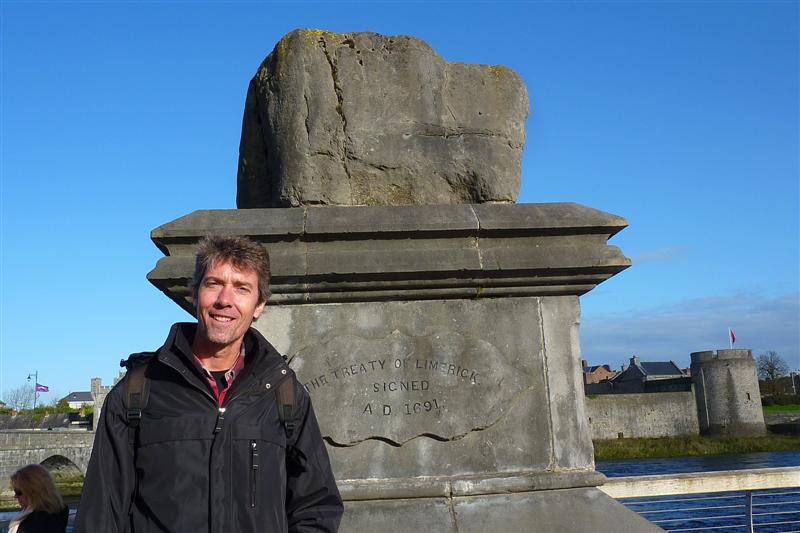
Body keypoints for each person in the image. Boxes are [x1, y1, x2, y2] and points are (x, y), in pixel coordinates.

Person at [75, 235, 343, 532]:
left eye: (242, 288)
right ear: (194, 294)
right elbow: (100, 515)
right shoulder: (137, 392)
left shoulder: (285, 394)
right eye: (214, 284)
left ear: (259, 305)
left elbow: (316, 507)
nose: (224, 300)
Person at [8, 464, 69, 533]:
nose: (15, 496)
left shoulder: (34, 524)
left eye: (18, 492)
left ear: (33, 492)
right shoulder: (60, 509)